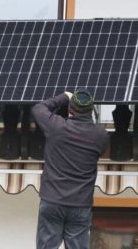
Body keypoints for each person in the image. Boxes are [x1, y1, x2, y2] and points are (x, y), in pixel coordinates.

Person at [32, 89, 109, 249]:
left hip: (52, 200)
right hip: (80, 204)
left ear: (70, 109)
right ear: (91, 110)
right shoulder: (100, 135)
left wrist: (63, 97)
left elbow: (38, 108)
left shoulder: (57, 127)